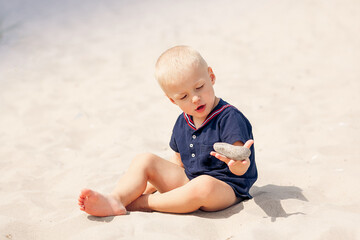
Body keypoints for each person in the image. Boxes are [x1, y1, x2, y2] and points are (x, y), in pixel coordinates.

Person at [78, 46, 257, 216]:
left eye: (199, 87)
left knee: (203, 185)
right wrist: (148, 186)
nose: (195, 98)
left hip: (226, 188)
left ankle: (144, 203)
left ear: (211, 76)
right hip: (189, 180)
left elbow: (240, 163)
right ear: (173, 101)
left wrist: (239, 165)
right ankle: (116, 199)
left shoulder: (229, 118)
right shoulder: (182, 121)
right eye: (184, 96)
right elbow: (178, 162)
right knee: (144, 160)